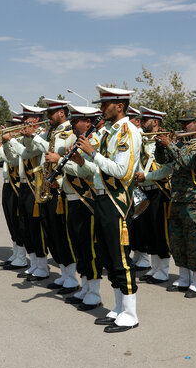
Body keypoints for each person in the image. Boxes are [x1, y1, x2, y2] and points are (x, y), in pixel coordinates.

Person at [76, 84, 141, 333]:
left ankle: (131, 313)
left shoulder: (127, 132)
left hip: (117, 201)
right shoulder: (109, 132)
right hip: (102, 199)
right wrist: (86, 158)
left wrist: (92, 153)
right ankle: (118, 308)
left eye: (105, 105)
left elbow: (121, 171)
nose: (101, 109)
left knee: (121, 258)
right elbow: (100, 170)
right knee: (106, 255)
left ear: (119, 106)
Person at [154, 108, 196, 299]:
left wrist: (169, 144)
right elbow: (162, 160)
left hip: (193, 200)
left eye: (187, 122)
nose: (183, 126)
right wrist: (160, 145)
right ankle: (184, 277)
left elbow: (188, 162)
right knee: (177, 240)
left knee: (194, 241)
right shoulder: (180, 143)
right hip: (177, 198)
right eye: (182, 122)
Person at [59, 105, 104, 310]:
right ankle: (85, 287)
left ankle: (94, 292)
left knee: (89, 248)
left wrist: (61, 161)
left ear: (88, 122)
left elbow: (92, 171)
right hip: (72, 198)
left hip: (87, 200)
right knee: (78, 247)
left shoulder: (95, 142)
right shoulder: (76, 142)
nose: (72, 124)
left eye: (76, 120)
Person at [33, 98, 79, 293]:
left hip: (62, 190)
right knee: (52, 234)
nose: (48, 118)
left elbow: (74, 163)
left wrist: (58, 181)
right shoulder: (52, 132)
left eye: (50, 114)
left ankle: (72, 277)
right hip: (48, 187)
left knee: (63, 235)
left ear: (61, 112)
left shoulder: (71, 133)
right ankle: (63, 273)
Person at [3, 104, 49, 280]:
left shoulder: (40, 136)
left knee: (36, 228)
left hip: (34, 186)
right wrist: (6, 142)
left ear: (35, 120)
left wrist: (12, 140)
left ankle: (42, 267)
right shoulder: (25, 137)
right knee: (25, 227)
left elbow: (26, 153)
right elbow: (12, 158)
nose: (22, 122)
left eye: (26, 119)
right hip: (23, 185)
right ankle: (34, 264)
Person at [133, 106, 173, 284]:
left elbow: (168, 168)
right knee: (148, 232)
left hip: (159, 192)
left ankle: (163, 270)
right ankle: (154, 268)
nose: (141, 123)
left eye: (145, 120)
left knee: (160, 232)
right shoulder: (142, 141)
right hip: (144, 191)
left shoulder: (163, 141)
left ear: (155, 122)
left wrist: (147, 176)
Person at [0, 112, 27, 268]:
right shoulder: (9, 141)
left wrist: (2, 146)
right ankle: (16, 253)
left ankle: (22, 257)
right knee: (10, 219)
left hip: (17, 182)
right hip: (7, 182)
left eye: (13, 125)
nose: (9, 128)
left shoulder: (22, 142)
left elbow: (13, 160)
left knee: (18, 221)